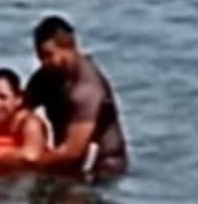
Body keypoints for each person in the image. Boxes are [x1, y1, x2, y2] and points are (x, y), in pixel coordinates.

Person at [21, 15, 129, 176]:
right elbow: (21, 108)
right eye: (40, 56)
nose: (44, 62)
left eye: (49, 55)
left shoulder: (86, 88)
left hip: (101, 166)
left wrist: (27, 162)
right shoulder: (46, 76)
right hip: (64, 160)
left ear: (69, 47)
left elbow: (73, 151)